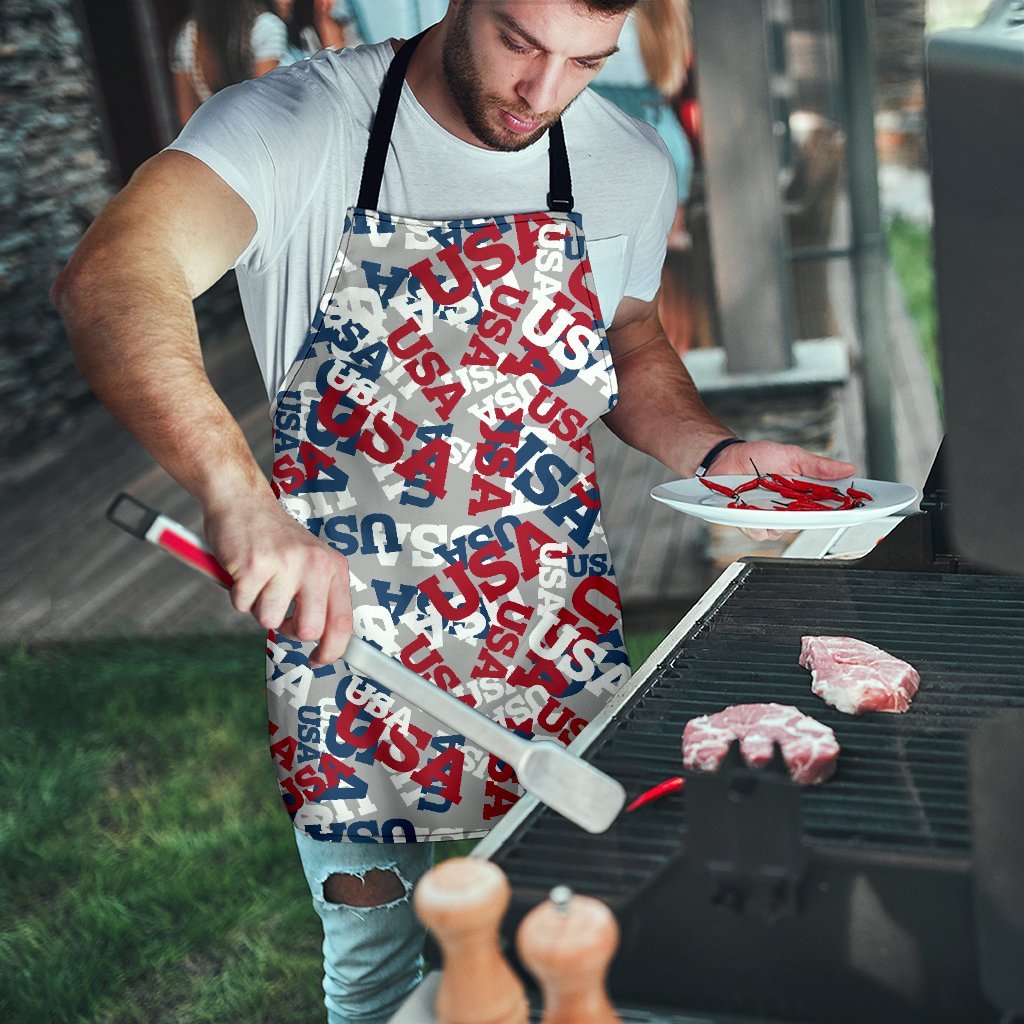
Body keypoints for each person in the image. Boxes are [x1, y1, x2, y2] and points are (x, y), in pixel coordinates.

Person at [53, 2, 855, 1020]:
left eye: (585, 62)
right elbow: (112, 275)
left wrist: (717, 449)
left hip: (549, 634)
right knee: (380, 977)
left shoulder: (625, 160)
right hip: (351, 654)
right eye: (521, 42)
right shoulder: (298, 124)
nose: (543, 92)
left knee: (587, 949)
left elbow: (629, 337)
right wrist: (236, 496)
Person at [170, 0, 289, 125]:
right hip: (262, 134)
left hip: (215, 137)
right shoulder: (265, 27)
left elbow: (186, 117)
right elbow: (267, 104)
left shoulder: (187, 37)